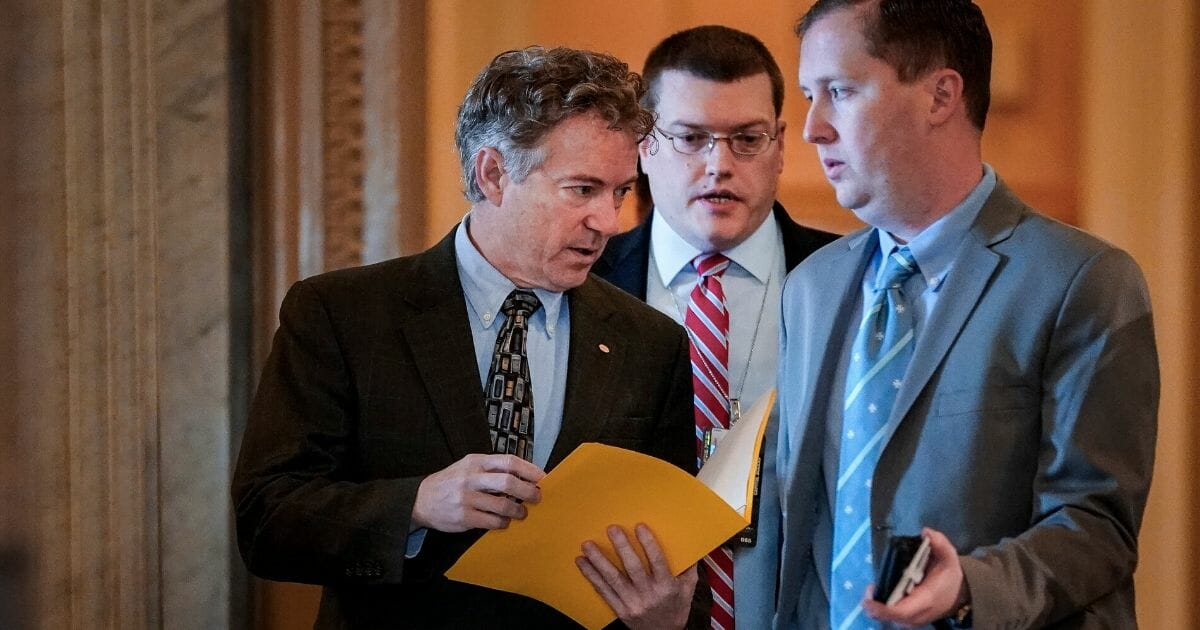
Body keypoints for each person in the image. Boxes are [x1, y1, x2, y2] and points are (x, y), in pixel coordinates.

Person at [232, 46, 706, 629]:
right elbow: (267, 520)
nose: (607, 221)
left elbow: (673, 550)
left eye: (619, 192)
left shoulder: (650, 343)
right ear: (493, 174)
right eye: (582, 189)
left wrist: (665, 614)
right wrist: (417, 504)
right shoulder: (343, 315)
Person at [776, 1, 1159, 628]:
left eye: (840, 92)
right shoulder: (811, 287)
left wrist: (970, 585)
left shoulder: (1083, 281)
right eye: (807, 96)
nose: (814, 128)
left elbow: (1097, 526)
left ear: (940, 95)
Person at [593, 25, 837, 630]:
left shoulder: (849, 280)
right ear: (644, 144)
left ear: (781, 144)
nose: (718, 165)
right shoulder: (581, 283)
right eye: (691, 138)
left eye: (747, 139)